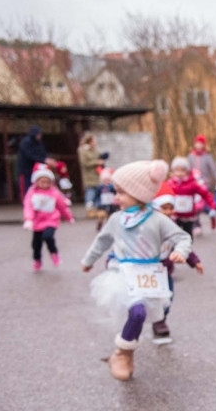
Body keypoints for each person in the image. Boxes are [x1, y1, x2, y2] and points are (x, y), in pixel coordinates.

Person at [81, 160, 192, 381]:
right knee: (138, 312)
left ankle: (126, 354)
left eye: (121, 192)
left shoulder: (157, 219)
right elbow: (102, 241)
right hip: (122, 273)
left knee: (140, 315)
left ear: (138, 193)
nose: (116, 198)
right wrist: (89, 260)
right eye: (116, 192)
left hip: (149, 276)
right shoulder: (116, 219)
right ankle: (122, 353)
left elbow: (182, 237)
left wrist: (181, 252)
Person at [151, 181, 204, 344]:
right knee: (150, 299)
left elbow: (182, 244)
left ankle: (161, 320)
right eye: (164, 208)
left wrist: (194, 261)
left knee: (168, 297)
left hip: (166, 271)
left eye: (170, 208)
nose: (168, 211)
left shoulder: (173, 227)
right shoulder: (148, 226)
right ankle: (150, 322)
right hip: (148, 271)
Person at [22, 163, 74, 272]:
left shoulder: (54, 193)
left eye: (47, 182)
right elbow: (28, 206)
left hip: (51, 220)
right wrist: (29, 220)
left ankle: (54, 254)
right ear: (36, 181)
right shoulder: (32, 193)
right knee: (36, 244)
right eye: (42, 182)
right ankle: (37, 260)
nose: (45, 184)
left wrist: (69, 217)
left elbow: (62, 206)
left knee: (48, 236)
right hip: (36, 222)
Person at [169, 157, 216, 238]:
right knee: (175, 236)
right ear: (173, 171)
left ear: (187, 171)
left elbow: (205, 194)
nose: (179, 173)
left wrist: (212, 206)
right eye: (177, 170)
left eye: (182, 170)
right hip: (175, 215)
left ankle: (188, 250)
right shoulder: (170, 184)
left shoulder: (192, 184)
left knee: (188, 236)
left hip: (188, 216)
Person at [16, 126, 56, 199]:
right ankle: (27, 204)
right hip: (25, 170)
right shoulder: (25, 142)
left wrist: (47, 159)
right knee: (26, 189)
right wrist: (44, 160)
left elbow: (42, 153)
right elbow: (30, 155)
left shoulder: (39, 143)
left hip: (37, 170)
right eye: (38, 134)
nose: (40, 136)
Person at [77, 133, 106, 218]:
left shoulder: (95, 150)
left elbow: (99, 157)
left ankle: (97, 209)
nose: (95, 142)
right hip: (89, 175)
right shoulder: (83, 150)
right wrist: (96, 162)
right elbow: (84, 163)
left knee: (98, 193)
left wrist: (103, 158)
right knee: (90, 193)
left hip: (97, 174)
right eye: (94, 141)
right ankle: (89, 210)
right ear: (89, 141)